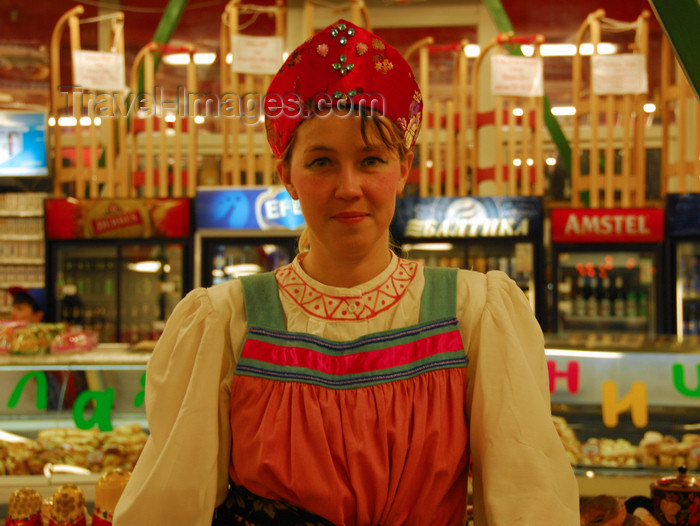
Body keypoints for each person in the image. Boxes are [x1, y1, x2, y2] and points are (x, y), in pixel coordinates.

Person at [113, 19, 579, 526]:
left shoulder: (473, 313)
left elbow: (529, 500)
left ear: (403, 168)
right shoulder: (227, 321)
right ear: (287, 177)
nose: (348, 186)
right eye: (320, 162)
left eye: (371, 159)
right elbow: (169, 508)